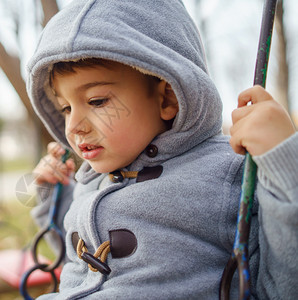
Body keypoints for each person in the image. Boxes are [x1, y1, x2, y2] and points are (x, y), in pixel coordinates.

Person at [26, 0, 298, 298]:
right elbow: (78, 265)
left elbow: (284, 282)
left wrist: (283, 161)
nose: (73, 126)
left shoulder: (227, 174)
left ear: (168, 98)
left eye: (96, 101)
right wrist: (51, 196)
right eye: (65, 108)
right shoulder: (91, 180)